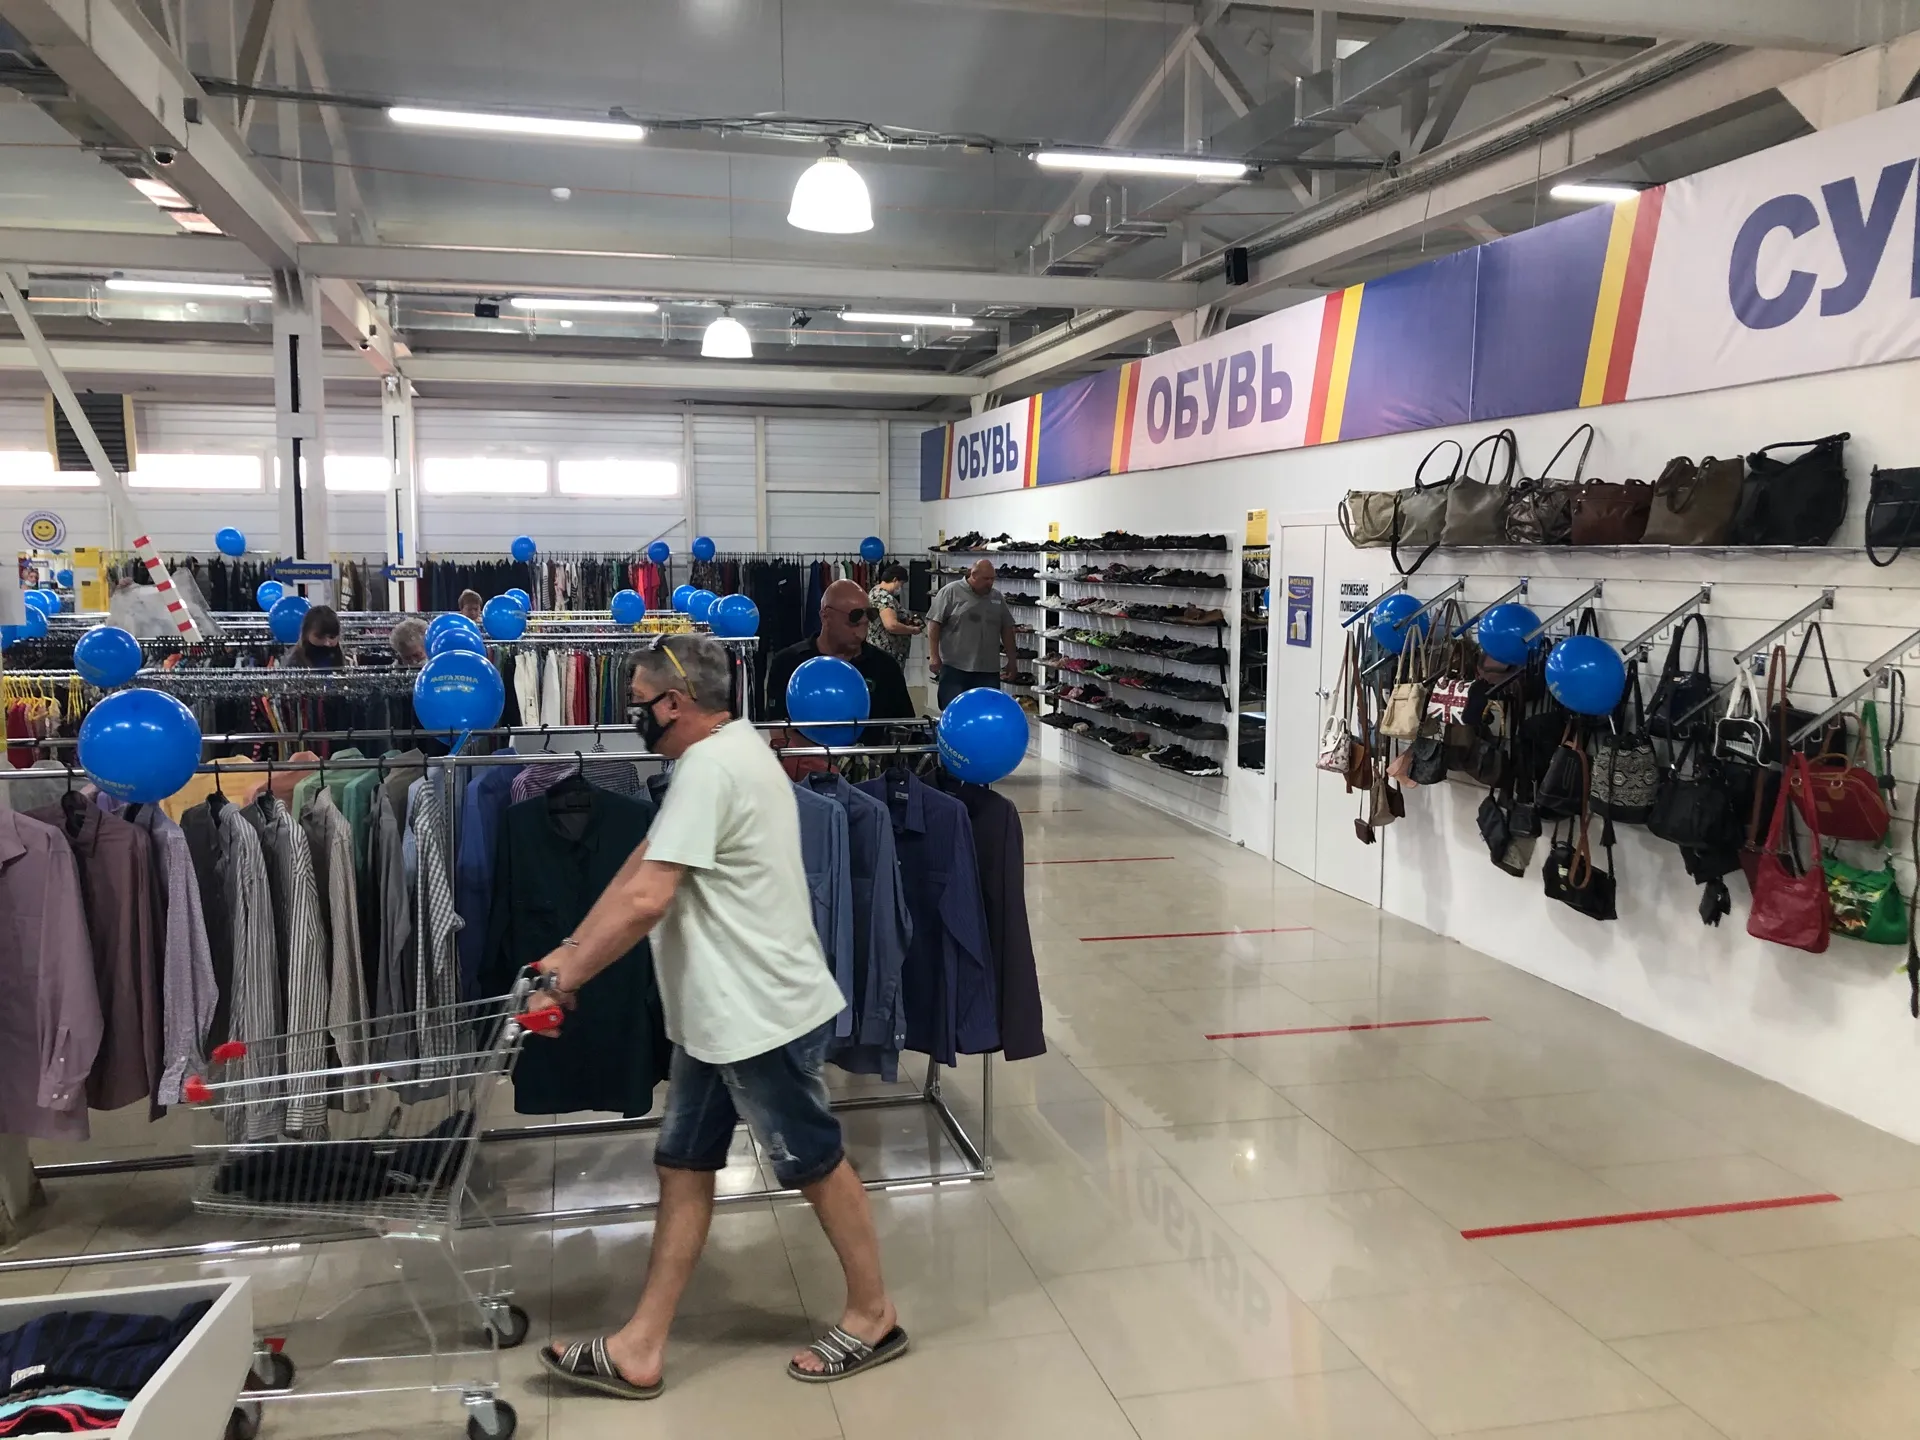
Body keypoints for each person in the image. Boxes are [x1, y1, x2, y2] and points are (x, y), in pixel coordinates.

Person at [532, 634, 905, 1399]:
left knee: (813, 1160)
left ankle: (874, 1314)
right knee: (683, 1162)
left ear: (675, 703)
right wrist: (568, 952)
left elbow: (649, 898)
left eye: (639, 703)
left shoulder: (710, 767)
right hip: (718, 1015)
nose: (634, 716)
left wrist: (568, 975)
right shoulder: (728, 752)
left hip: (758, 1015)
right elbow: (643, 861)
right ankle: (641, 1345)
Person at [763, 578, 914, 723]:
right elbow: (777, 729)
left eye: (865, 624)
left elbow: (905, 727)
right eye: (853, 624)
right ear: (825, 616)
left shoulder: (886, 667)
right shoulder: (787, 664)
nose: (860, 634)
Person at [926, 560, 1017, 709]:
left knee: (987, 711)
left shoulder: (996, 597)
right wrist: (934, 655)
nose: (990, 583)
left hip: (988, 670)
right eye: (986, 579)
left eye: (992, 579)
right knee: (954, 710)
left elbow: (1007, 628)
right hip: (956, 667)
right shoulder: (950, 592)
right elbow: (934, 623)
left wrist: (1012, 660)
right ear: (973, 575)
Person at [865, 564, 921, 666]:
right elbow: (891, 625)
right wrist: (912, 630)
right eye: (901, 584)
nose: (901, 587)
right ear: (895, 580)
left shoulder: (874, 591)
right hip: (887, 653)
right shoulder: (884, 598)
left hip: (878, 650)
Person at [282, 604, 343, 668]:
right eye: (320, 637)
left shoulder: (337, 655)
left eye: (332, 637)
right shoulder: (295, 661)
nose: (327, 643)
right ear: (306, 633)